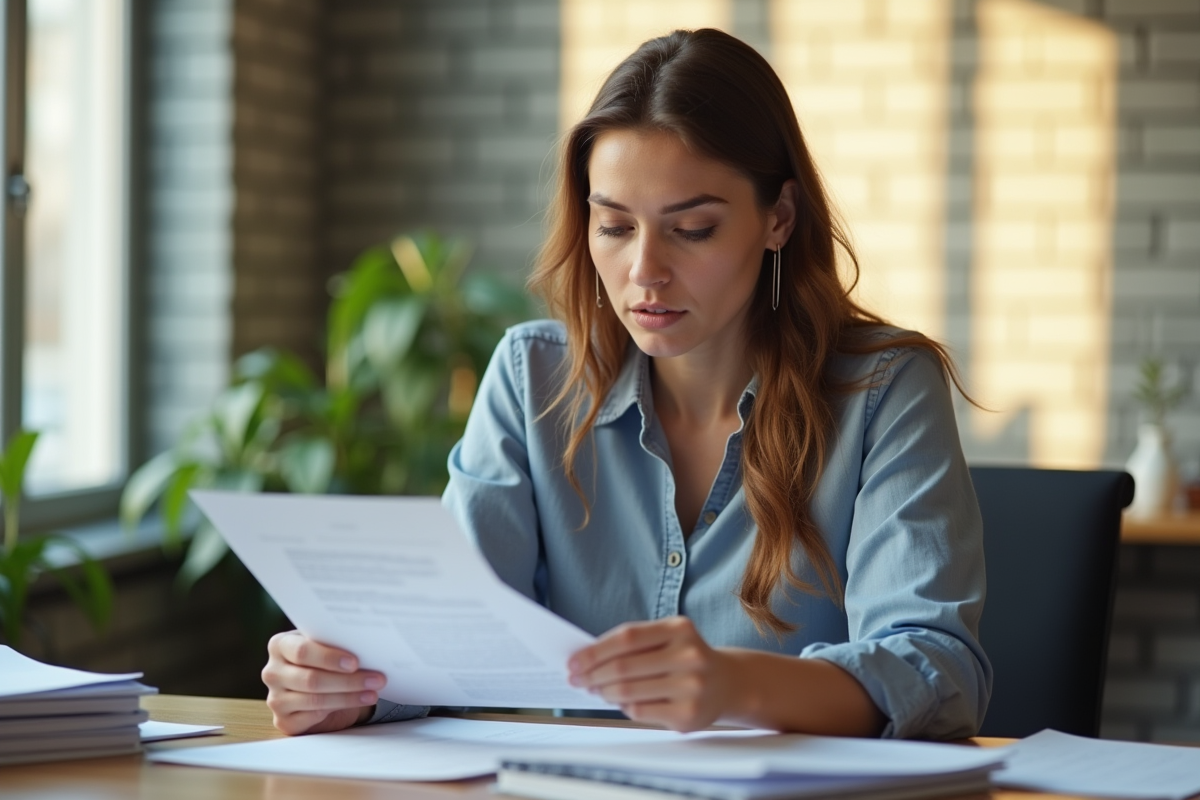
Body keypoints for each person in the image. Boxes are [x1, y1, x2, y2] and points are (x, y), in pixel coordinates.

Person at [261, 28, 991, 740]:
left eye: (693, 229)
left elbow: (938, 671)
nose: (645, 271)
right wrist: (347, 689)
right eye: (613, 226)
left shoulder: (884, 390)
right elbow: (449, 640)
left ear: (779, 217)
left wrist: (735, 686)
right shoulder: (533, 378)